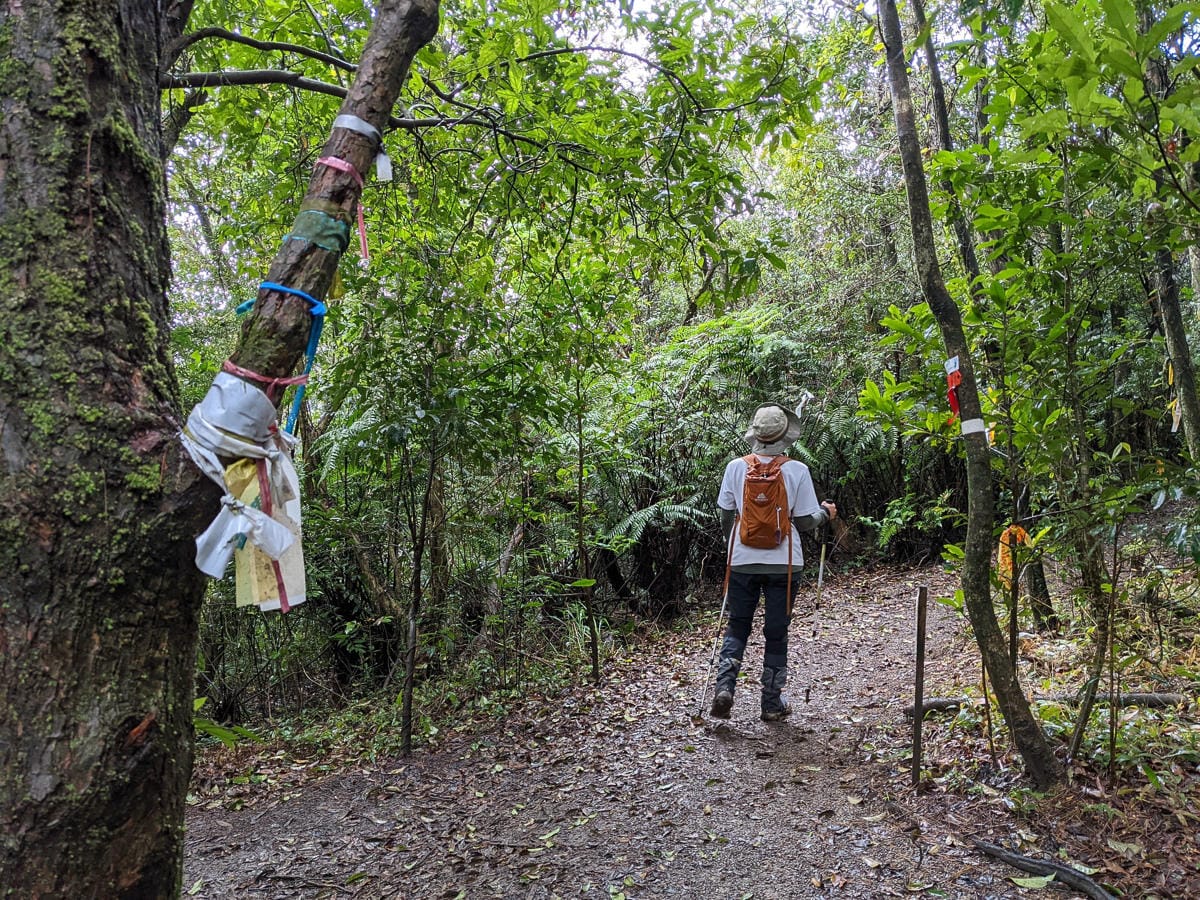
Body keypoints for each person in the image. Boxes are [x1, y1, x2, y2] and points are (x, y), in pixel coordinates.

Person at [712, 403, 837, 721]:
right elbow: (807, 521)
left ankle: (725, 688)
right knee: (776, 632)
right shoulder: (797, 470)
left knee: (737, 626)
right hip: (786, 563)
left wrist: (735, 541)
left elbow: (727, 513)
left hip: (742, 561)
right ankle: (771, 703)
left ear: (756, 435)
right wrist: (826, 513)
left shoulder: (735, 468)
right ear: (784, 437)